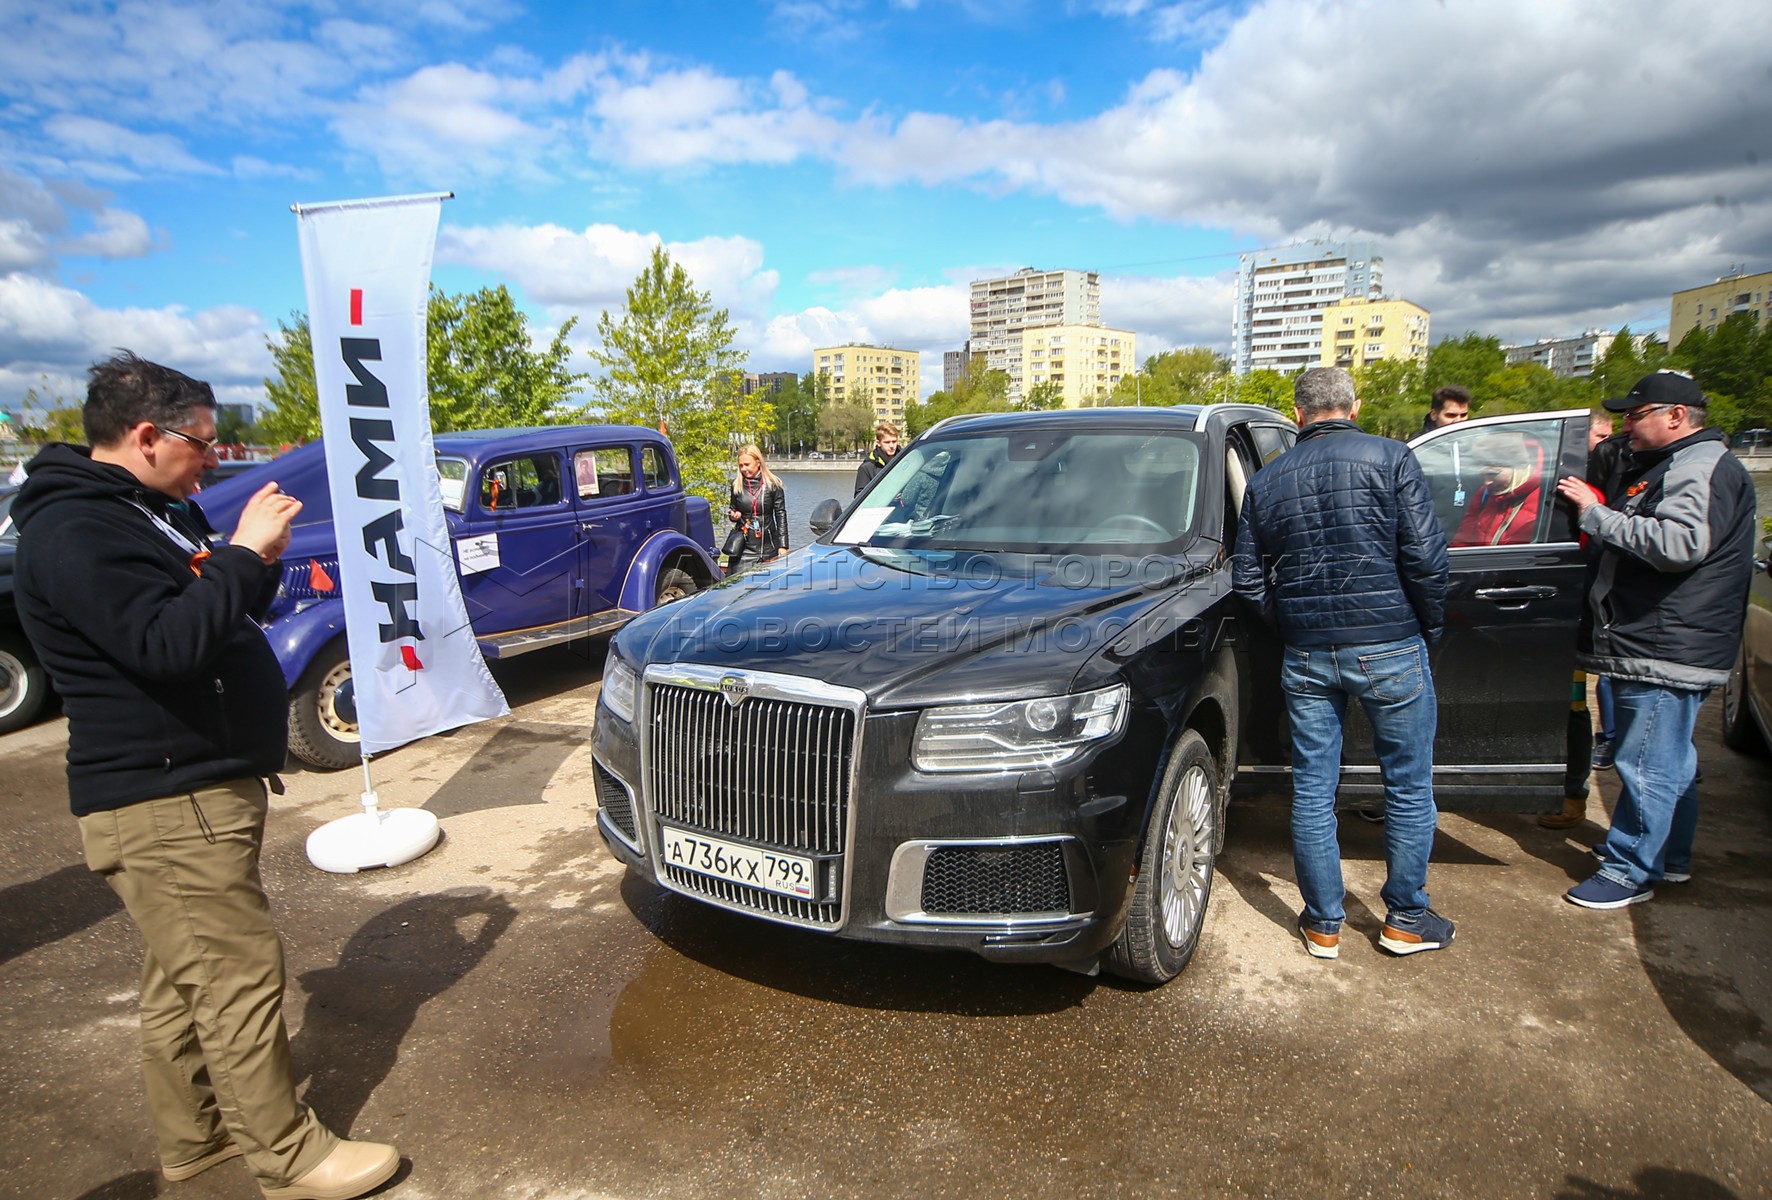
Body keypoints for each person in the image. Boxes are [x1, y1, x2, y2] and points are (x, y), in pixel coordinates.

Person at [11, 353, 401, 1200]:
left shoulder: (146, 510)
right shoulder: (77, 529)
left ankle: (195, 1139)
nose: (214, 459)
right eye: (202, 443)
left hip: (192, 787)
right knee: (236, 979)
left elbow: (209, 615)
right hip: (162, 796)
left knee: (181, 981)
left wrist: (251, 566)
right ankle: (287, 1157)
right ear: (147, 435)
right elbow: (165, 646)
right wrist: (241, 554)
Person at [1233, 367, 1454, 959]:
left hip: (1307, 652)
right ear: (1353, 407)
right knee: (1407, 786)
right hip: (1391, 643)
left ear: (1298, 414)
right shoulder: (1393, 458)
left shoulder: (1268, 479)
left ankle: (1322, 923)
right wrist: (1427, 629)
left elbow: (1248, 579)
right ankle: (1406, 918)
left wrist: (1292, 625)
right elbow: (1427, 560)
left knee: (1312, 790)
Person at [1554, 371, 1758, 908]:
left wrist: (1596, 516)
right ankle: (1669, 859)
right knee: (1671, 761)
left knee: (1646, 762)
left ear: (1676, 416)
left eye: (1637, 415)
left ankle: (1630, 869)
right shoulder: (1680, 463)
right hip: (1669, 639)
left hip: (1666, 644)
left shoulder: (1699, 466)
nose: (1627, 425)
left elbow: (1680, 542)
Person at [1450, 430, 1545, 547]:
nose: (1486, 482)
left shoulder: (1544, 496)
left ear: (1517, 468)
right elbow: (1463, 541)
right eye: (1480, 474)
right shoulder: (1483, 494)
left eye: (1493, 474)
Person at [725, 443, 789, 574]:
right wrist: (733, 515)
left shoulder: (773, 484)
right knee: (737, 586)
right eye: (741, 465)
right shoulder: (736, 485)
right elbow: (732, 509)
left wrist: (783, 545)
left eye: (747, 464)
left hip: (768, 545)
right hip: (744, 546)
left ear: (758, 462)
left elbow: (780, 514)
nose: (744, 469)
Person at [854, 420, 901, 496]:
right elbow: (859, 498)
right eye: (887, 442)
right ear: (878, 443)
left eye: (894, 441)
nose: (892, 446)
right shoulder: (867, 468)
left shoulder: (906, 460)